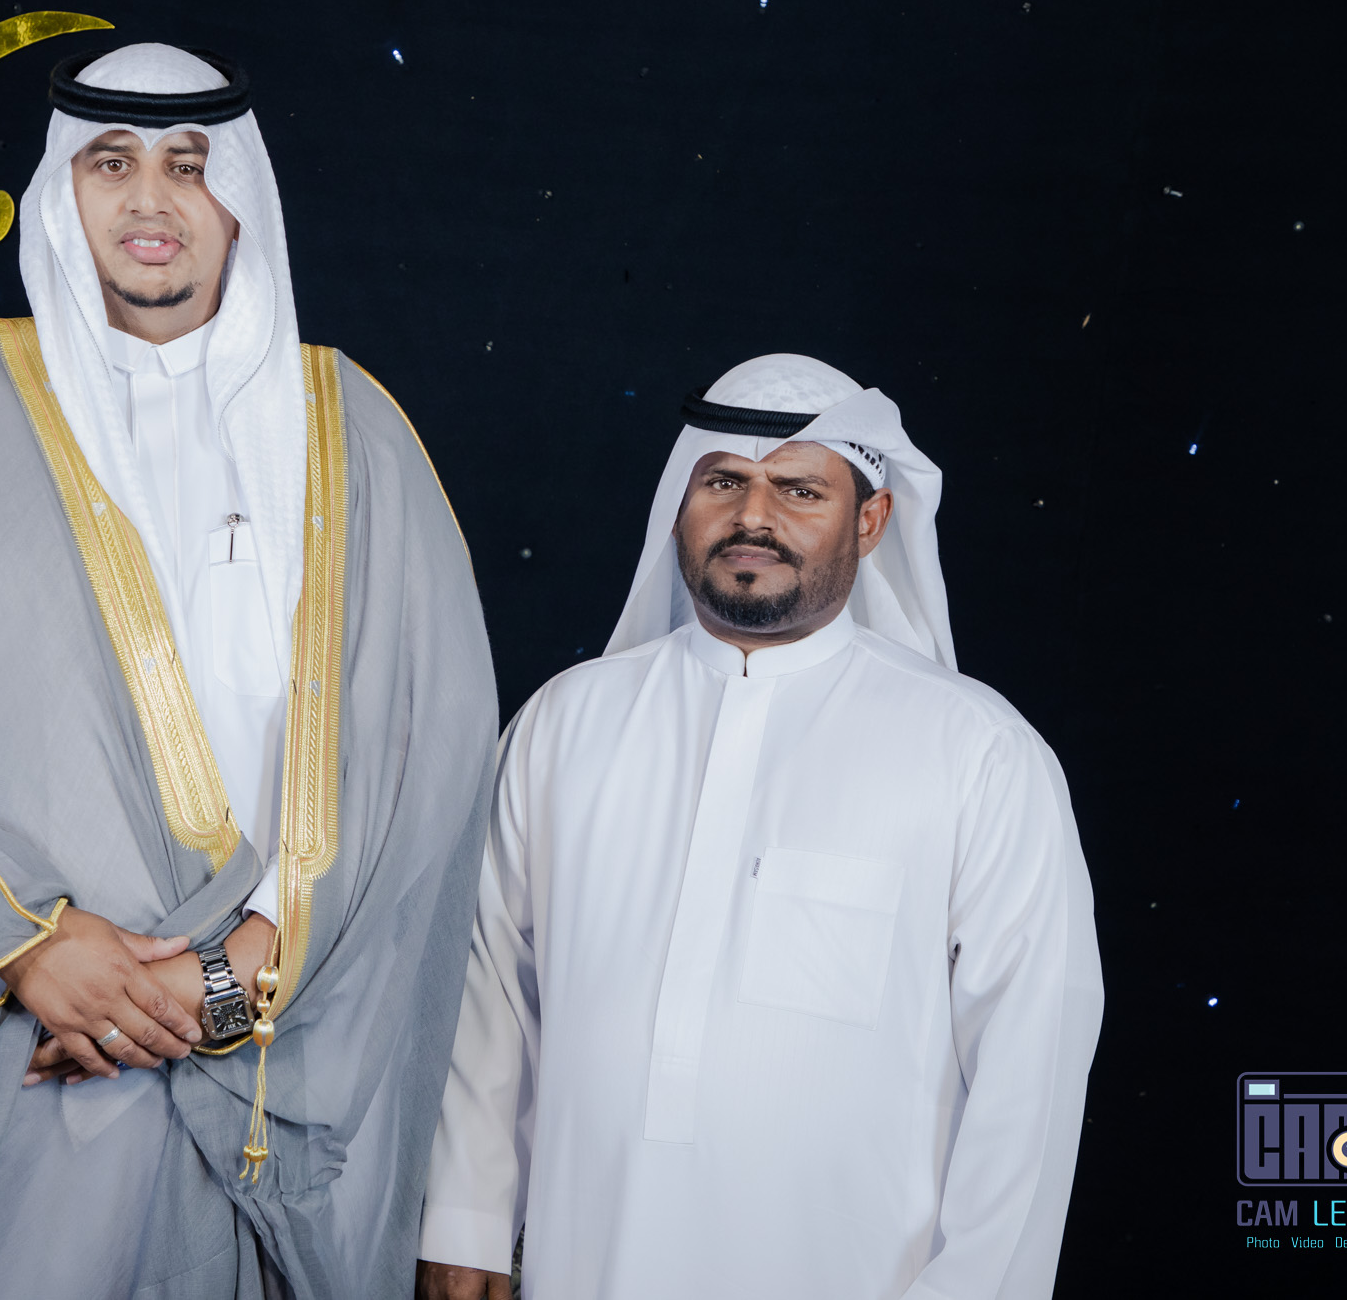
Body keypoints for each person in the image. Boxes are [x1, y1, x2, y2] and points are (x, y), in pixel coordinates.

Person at [0, 43, 497, 1300]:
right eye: (110, 164)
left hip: (278, 1033)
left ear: (239, 196)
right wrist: (28, 943)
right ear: (59, 191)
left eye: (188, 167)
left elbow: (430, 747)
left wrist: (225, 986)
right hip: (31, 1062)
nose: (151, 202)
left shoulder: (353, 434)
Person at [416, 355, 1103, 1299]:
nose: (753, 517)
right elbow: (491, 996)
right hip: (586, 1262)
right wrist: (466, 1223)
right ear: (680, 505)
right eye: (724, 482)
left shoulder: (980, 756)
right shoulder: (563, 726)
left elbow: (1032, 1070)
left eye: (800, 489)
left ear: (871, 520)